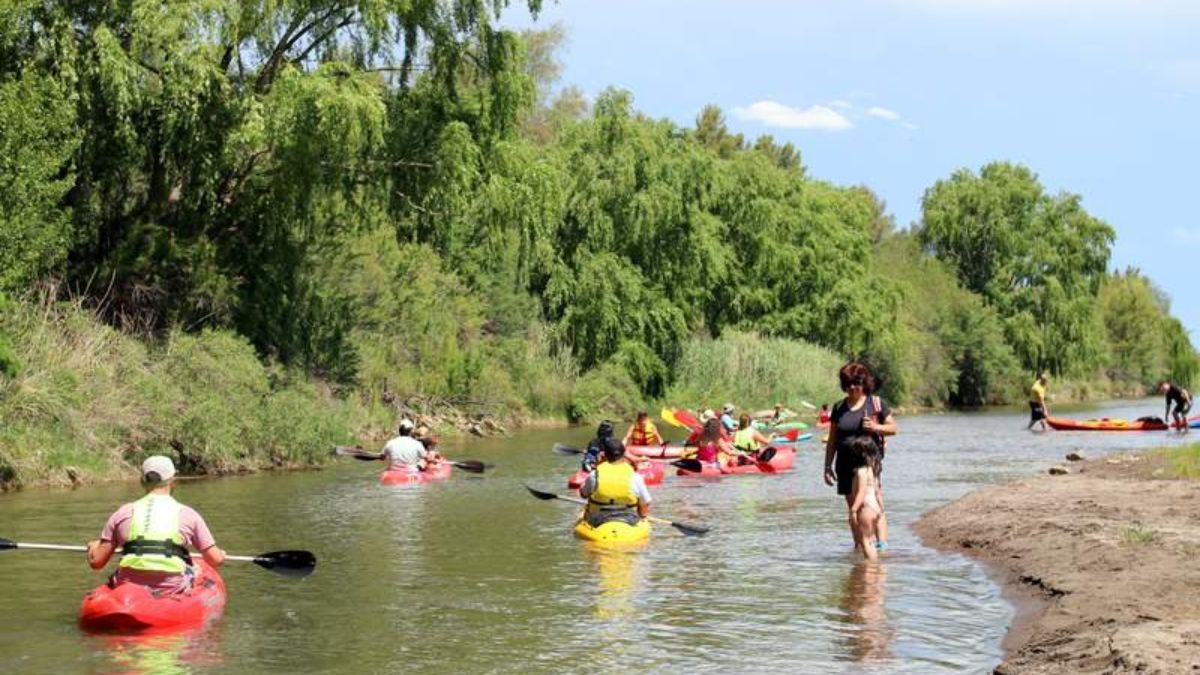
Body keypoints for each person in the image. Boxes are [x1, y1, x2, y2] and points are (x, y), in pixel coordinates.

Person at [85, 456, 226, 595]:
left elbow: (96, 562)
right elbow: (215, 560)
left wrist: (93, 548)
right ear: (173, 480)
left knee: (116, 573)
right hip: (171, 587)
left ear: (142, 481)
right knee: (196, 569)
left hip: (128, 585)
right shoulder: (188, 514)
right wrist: (221, 554)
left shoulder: (122, 513)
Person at [824, 362, 898, 553]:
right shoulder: (839, 407)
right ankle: (861, 547)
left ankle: (879, 548)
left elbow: (893, 428)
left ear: (863, 382)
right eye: (847, 384)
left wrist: (875, 428)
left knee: (868, 505)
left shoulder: (875, 404)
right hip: (844, 465)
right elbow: (832, 439)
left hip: (868, 463)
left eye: (855, 384)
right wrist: (827, 466)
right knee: (853, 510)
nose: (851, 388)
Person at [579, 437, 651, 526]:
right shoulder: (635, 477)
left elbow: (583, 495)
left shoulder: (594, 474)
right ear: (623, 454)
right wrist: (643, 517)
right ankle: (642, 521)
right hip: (629, 520)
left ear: (605, 455)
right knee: (642, 502)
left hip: (597, 520)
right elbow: (646, 502)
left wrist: (583, 485)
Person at [847, 436, 884, 561]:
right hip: (875, 508)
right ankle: (877, 568)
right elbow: (878, 491)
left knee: (865, 540)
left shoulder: (861, 471)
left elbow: (861, 492)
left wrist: (853, 509)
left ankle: (872, 565)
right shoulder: (872, 470)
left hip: (866, 508)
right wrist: (881, 509)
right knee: (870, 540)